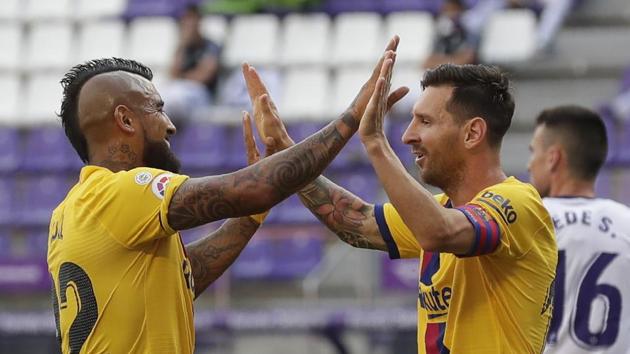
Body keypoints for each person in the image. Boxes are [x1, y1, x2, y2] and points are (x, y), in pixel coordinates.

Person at [48, 36, 398, 354]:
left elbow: (182, 279)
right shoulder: (122, 190)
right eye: (156, 108)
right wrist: (354, 116)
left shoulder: (70, 211)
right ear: (125, 120)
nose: (170, 124)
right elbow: (257, 187)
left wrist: (252, 214)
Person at [247, 61, 557, 352]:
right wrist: (287, 151)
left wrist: (376, 144)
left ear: (472, 133)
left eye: (425, 121)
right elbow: (354, 221)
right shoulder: (439, 210)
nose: (408, 136)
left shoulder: (519, 203)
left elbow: (438, 231)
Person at [527, 105, 630, 353]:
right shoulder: (627, 223)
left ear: (553, 158)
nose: (530, 165)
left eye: (534, 152)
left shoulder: (524, 221)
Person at [161, 4, 221, 123]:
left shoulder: (211, 46)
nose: (188, 24)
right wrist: (183, 45)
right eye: (185, 20)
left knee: (175, 100)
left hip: (202, 94)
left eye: (191, 19)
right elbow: (172, 74)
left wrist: (182, 79)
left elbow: (203, 77)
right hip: (181, 90)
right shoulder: (183, 47)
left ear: (199, 21)